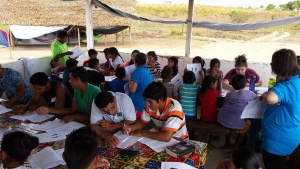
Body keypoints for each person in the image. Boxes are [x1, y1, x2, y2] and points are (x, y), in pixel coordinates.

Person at [260, 49, 300, 169]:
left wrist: (263, 96)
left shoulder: (286, 86)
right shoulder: (296, 81)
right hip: (292, 135)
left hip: (276, 141)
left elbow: (270, 98)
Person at [123, 82, 188, 141]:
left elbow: (166, 137)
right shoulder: (150, 106)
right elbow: (142, 122)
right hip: (161, 138)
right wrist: (131, 128)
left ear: (160, 100)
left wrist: (142, 132)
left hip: (179, 141)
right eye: (146, 100)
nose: (147, 104)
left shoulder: (175, 108)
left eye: (150, 101)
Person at [36, 67, 101, 122]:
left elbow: (98, 115)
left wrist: (76, 116)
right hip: (81, 121)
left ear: (77, 79)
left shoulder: (95, 91)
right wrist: (48, 110)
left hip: (93, 122)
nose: (69, 81)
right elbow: (72, 109)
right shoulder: (77, 90)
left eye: (70, 79)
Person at [217, 74, 256, 154]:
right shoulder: (249, 94)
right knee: (246, 128)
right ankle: (234, 149)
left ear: (232, 85)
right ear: (245, 84)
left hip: (222, 119)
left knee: (229, 119)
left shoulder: (229, 94)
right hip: (234, 122)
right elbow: (257, 97)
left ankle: (227, 142)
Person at [199, 75, 221, 149]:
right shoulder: (215, 93)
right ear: (212, 84)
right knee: (213, 128)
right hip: (213, 119)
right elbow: (219, 95)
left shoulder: (200, 92)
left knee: (206, 130)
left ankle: (205, 142)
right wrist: (220, 81)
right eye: (216, 83)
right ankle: (209, 142)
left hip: (203, 118)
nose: (216, 85)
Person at [129, 53, 154, 118]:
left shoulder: (137, 71)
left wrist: (131, 80)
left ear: (135, 61)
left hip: (138, 105)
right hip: (146, 103)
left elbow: (132, 90)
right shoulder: (148, 71)